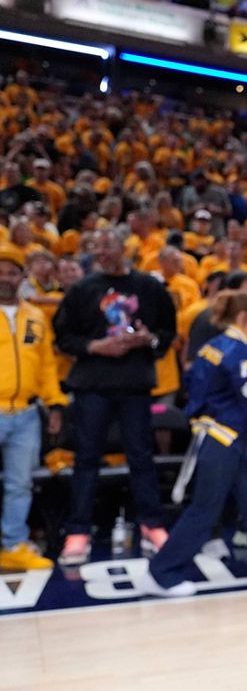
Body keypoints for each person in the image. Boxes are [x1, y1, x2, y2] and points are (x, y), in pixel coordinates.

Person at [146, 290, 247, 596]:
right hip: (224, 439)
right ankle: (161, 572)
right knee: (205, 509)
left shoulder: (212, 347)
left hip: (221, 436)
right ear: (245, 316)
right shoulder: (238, 352)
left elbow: (196, 391)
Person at [53, 229, 177, 565]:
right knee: (86, 459)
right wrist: (95, 346)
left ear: (125, 247)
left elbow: (168, 332)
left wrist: (148, 340)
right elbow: (63, 337)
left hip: (135, 385)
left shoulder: (150, 287)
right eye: (96, 247)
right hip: (92, 386)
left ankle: (152, 525)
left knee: (141, 458)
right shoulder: (81, 289)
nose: (101, 252)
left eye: (108, 246)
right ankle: (78, 532)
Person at [0, 245, 66, 571]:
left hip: (26, 414)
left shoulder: (36, 316)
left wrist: (55, 404)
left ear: (22, 277)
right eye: (0, 271)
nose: (5, 278)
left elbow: (47, 367)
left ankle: (12, 545)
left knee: (20, 484)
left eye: (11, 272)